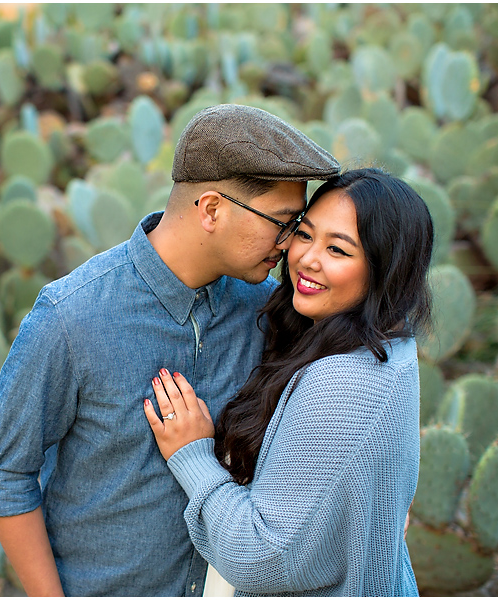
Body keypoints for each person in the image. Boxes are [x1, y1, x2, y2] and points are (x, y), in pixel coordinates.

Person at [0, 104, 340, 596]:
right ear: (211, 210)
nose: (291, 244)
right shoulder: (71, 317)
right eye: (283, 222)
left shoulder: (263, 309)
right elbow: (5, 473)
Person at [143, 168, 433, 596]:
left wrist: (191, 455)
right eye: (304, 234)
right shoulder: (388, 341)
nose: (306, 259)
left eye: (338, 249)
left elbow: (261, 558)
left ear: (384, 269)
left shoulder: (346, 382)